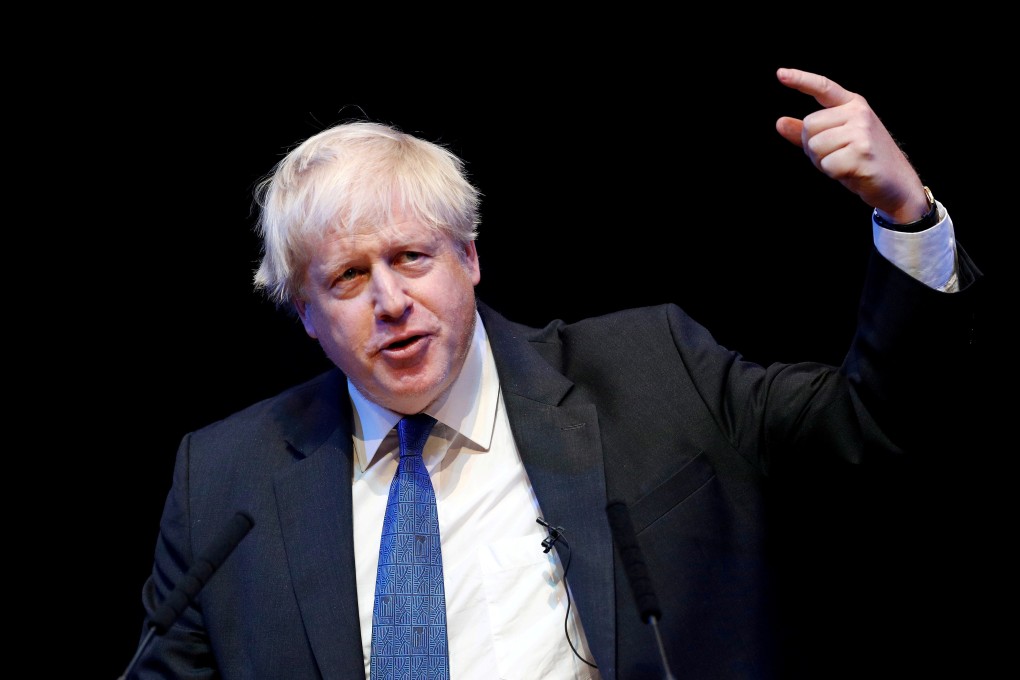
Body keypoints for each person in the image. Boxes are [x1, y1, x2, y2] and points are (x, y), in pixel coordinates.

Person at [129, 67, 983, 680]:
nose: (390, 300)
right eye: (349, 277)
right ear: (305, 313)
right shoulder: (226, 483)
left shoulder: (652, 372)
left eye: (412, 257)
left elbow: (875, 428)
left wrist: (907, 216)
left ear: (468, 258)